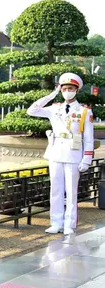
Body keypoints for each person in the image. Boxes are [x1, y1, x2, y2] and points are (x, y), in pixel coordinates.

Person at [27, 73, 96, 235]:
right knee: (56, 190)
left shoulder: (84, 112)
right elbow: (32, 110)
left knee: (71, 192)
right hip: (56, 152)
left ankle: (69, 224)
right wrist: (52, 94)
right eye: (64, 89)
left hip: (73, 154)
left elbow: (89, 138)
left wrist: (86, 159)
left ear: (76, 90)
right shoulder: (54, 108)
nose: (67, 91)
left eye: (70, 88)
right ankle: (56, 222)